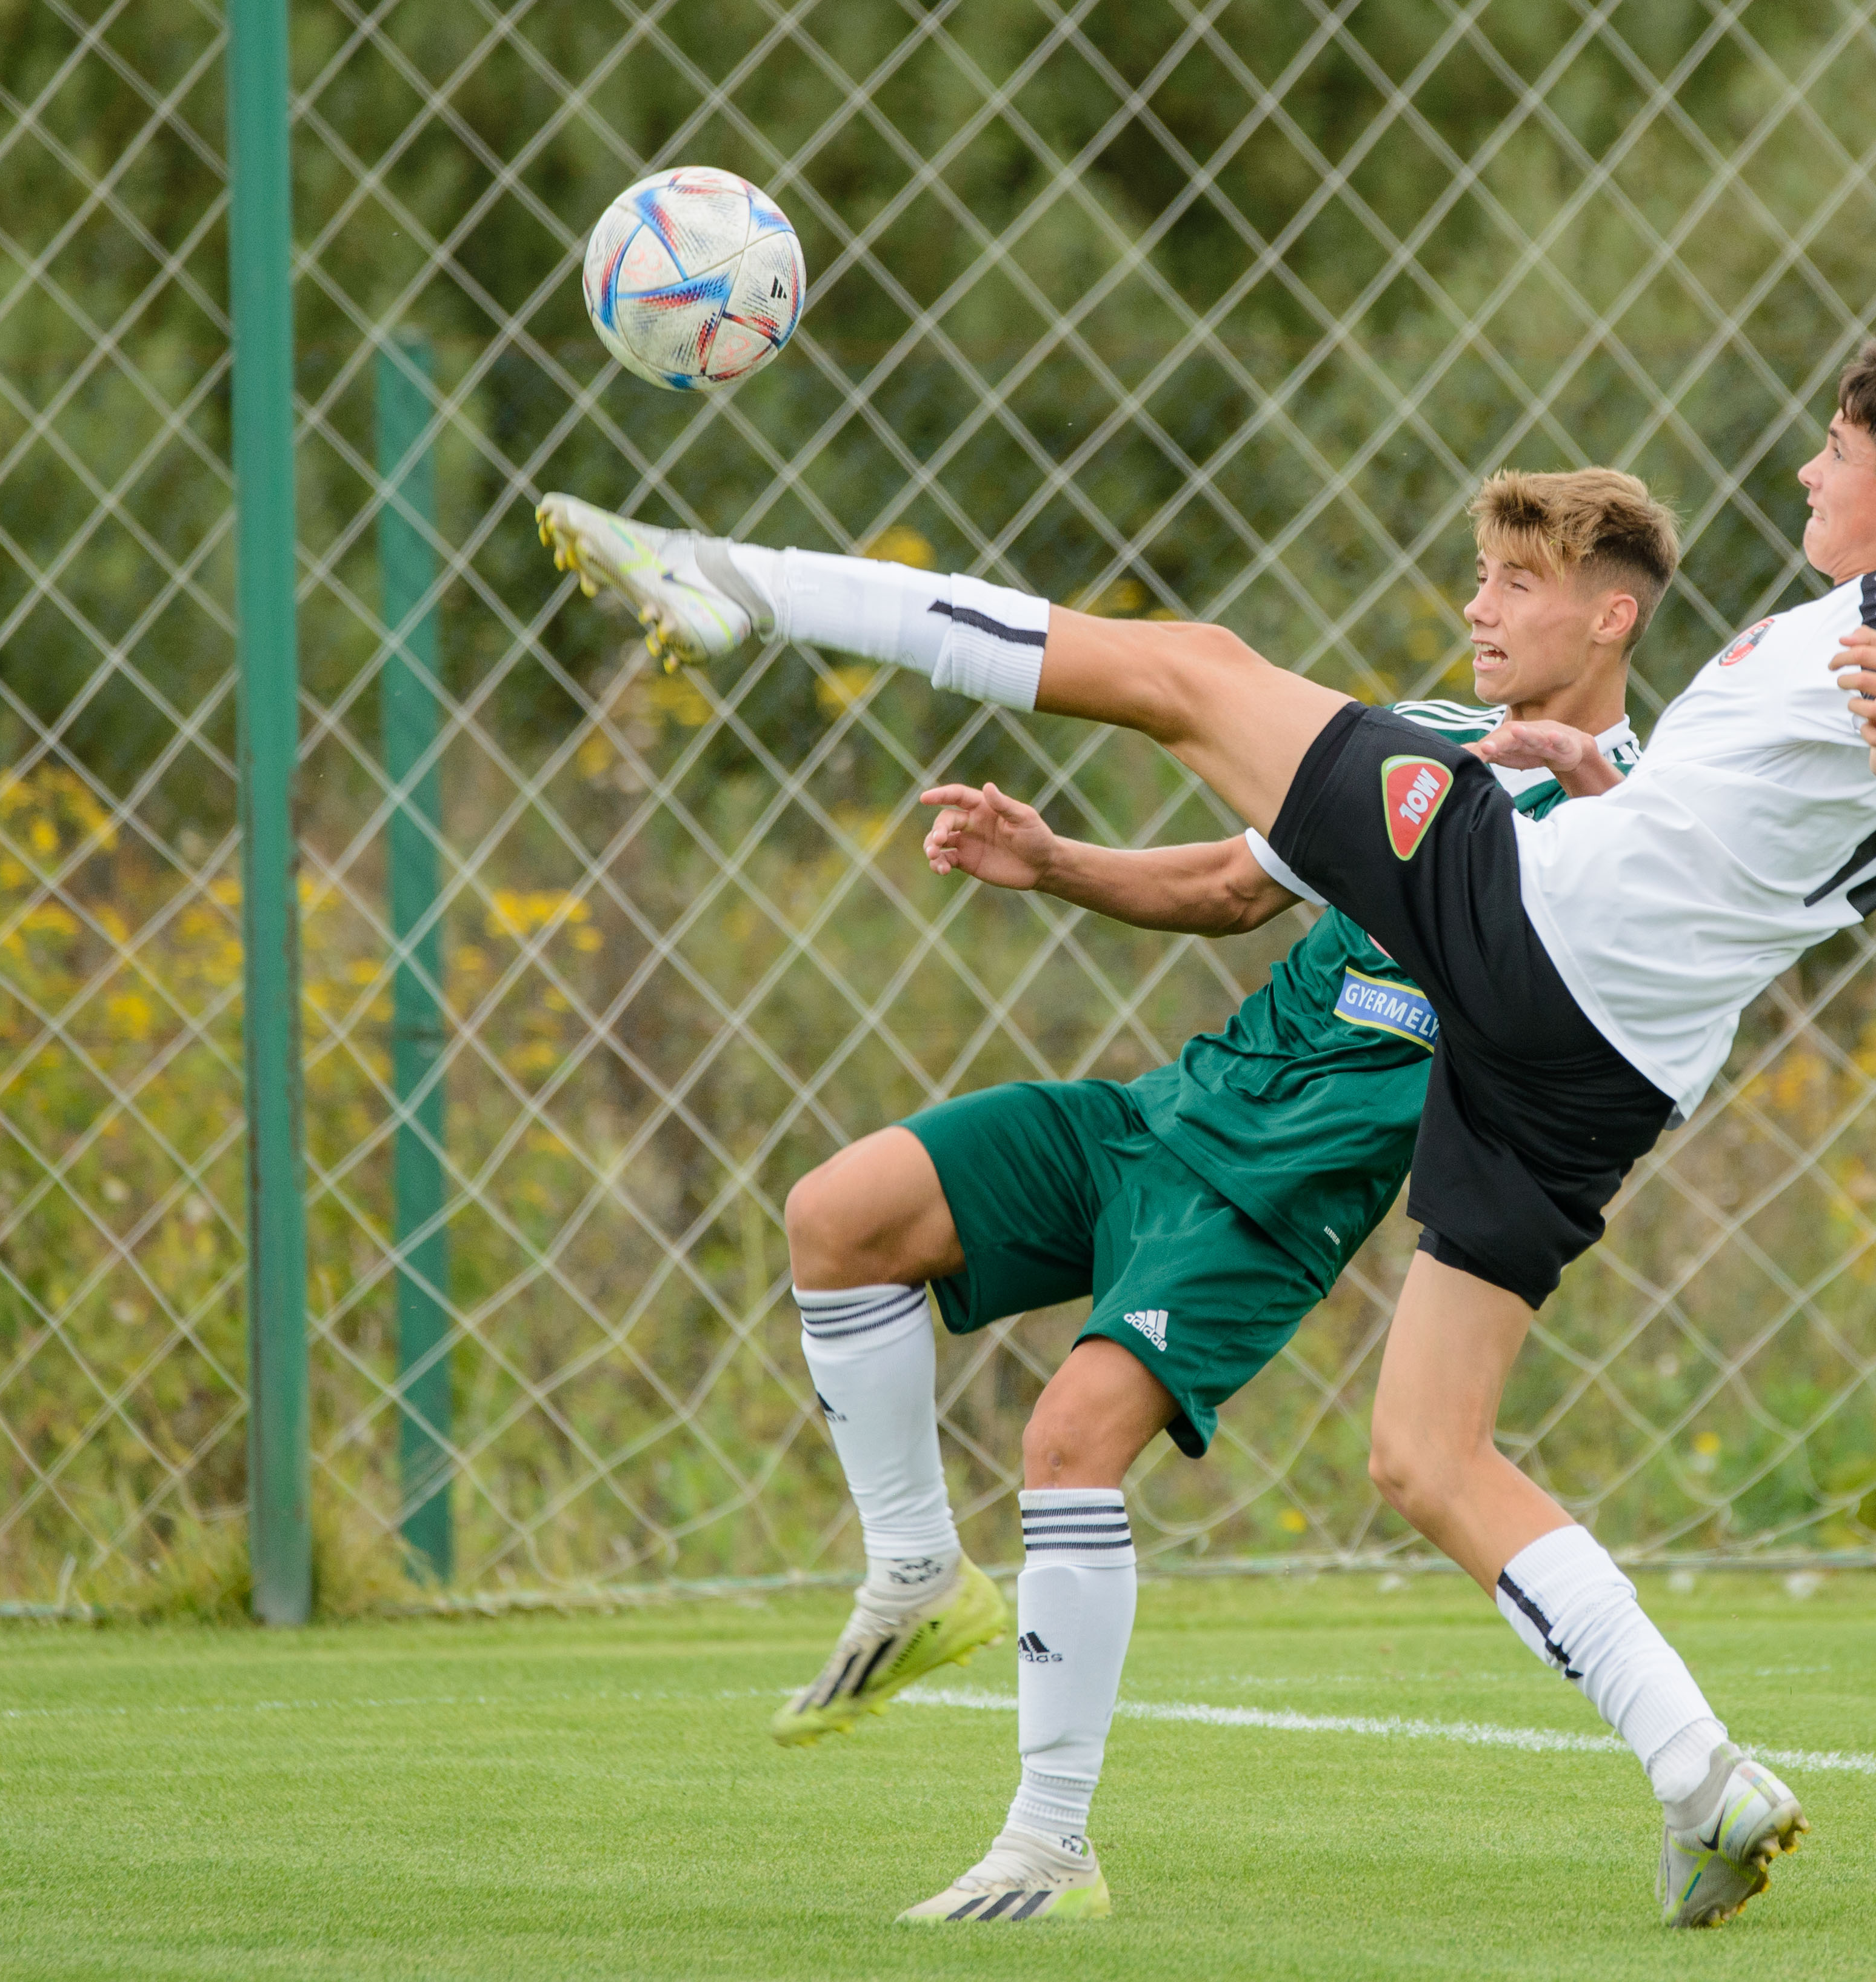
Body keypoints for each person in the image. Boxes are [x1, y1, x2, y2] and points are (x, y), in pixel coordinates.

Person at [537, 339, 1876, 1927]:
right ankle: (1703, 1775)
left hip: (1542, 937)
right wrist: (1645, 764)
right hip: (1610, 1072)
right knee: (1429, 1451)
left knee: (1185, 668)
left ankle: (738, 583)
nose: (1811, 472)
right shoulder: (1848, 646)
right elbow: (1814, 793)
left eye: (1836, 450)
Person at [680, 471, 1666, 1922]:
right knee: (842, 1212)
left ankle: (1048, 1843)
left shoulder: (1639, 825)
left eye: (1517, 584)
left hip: (1281, 1186)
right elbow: (1229, 885)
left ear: (1610, 615)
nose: (1478, 606)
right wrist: (1055, 862)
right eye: (1480, 575)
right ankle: (913, 1575)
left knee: (1069, 1434)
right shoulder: (1427, 739)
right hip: (1173, 1108)